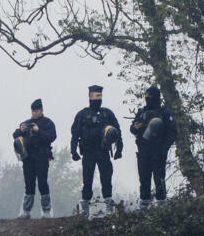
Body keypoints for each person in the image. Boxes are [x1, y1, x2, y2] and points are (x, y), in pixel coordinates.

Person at [70, 85, 124, 215]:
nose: (98, 98)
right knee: (87, 179)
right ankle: (85, 208)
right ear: (90, 96)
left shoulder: (107, 113)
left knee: (106, 177)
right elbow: (75, 133)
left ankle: (109, 207)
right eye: (96, 96)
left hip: (103, 151)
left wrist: (119, 149)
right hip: (88, 151)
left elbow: (117, 131)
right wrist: (73, 151)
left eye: (100, 96)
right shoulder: (82, 114)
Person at [131, 85, 178, 208]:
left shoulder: (165, 113)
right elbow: (133, 129)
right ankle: (144, 204)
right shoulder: (141, 112)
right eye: (147, 97)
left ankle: (162, 205)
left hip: (158, 150)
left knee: (159, 178)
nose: (148, 99)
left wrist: (164, 148)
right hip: (143, 150)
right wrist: (137, 127)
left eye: (151, 97)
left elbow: (172, 132)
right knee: (144, 178)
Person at [12, 98, 58, 218]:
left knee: (42, 182)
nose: (34, 113)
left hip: (42, 156)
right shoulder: (27, 123)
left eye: (36, 111)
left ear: (41, 110)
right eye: (33, 111)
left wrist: (38, 131)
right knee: (29, 183)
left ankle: (46, 211)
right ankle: (26, 211)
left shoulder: (48, 123)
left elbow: (52, 137)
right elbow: (15, 136)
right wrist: (20, 130)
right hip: (28, 157)